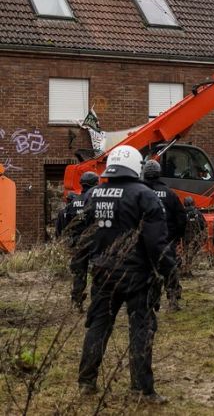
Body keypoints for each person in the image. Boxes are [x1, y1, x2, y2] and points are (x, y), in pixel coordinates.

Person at [74, 145, 175, 404]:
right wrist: (169, 273)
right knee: (141, 329)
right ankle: (142, 389)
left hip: (102, 272)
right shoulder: (145, 195)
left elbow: (83, 237)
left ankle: (86, 382)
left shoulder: (93, 194)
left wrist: (81, 268)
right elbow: (157, 243)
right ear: (135, 166)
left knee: (97, 326)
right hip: (136, 275)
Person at [142, 159, 187, 311]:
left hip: (145, 242)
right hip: (167, 240)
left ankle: (152, 302)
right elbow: (181, 218)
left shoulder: (139, 193)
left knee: (148, 270)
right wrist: (177, 236)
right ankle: (173, 299)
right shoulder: (170, 194)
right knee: (170, 268)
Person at [67, 171, 100, 311]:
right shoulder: (95, 200)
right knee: (96, 272)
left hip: (77, 243)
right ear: (95, 184)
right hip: (93, 242)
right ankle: (96, 304)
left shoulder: (73, 203)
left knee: (79, 273)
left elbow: (66, 224)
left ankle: (77, 301)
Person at [181, 196, 206, 276]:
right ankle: (188, 270)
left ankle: (185, 270)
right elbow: (203, 224)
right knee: (191, 255)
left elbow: (179, 224)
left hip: (186, 237)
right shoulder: (198, 212)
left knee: (186, 254)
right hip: (196, 237)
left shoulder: (182, 213)